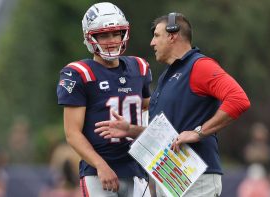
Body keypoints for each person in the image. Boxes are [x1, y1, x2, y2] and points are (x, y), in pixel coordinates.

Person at [95, 13, 251, 197]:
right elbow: (169, 134)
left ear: (172, 35)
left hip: (196, 178)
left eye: (157, 35)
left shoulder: (199, 66)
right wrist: (130, 129)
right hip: (171, 177)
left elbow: (238, 99)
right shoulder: (167, 76)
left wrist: (198, 132)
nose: (152, 43)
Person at [56, 2, 152, 197]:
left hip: (136, 169)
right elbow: (72, 133)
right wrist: (101, 165)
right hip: (99, 172)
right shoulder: (79, 74)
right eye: (104, 35)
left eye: (116, 33)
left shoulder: (139, 68)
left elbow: (150, 113)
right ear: (90, 37)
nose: (111, 40)